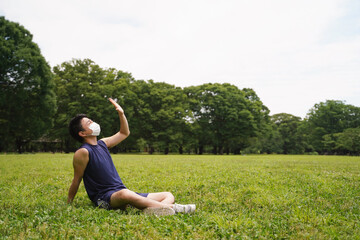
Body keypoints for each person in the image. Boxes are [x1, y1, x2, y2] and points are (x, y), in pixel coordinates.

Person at [67, 98, 195, 216]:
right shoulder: (83, 152)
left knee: (167, 194)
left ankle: (150, 208)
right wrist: (69, 203)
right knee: (125, 193)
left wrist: (121, 114)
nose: (93, 123)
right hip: (104, 198)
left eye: (92, 121)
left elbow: (124, 133)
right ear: (82, 133)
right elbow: (76, 180)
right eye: (89, 123)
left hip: (122, 192)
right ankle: (175, 208)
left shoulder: (103, 144)